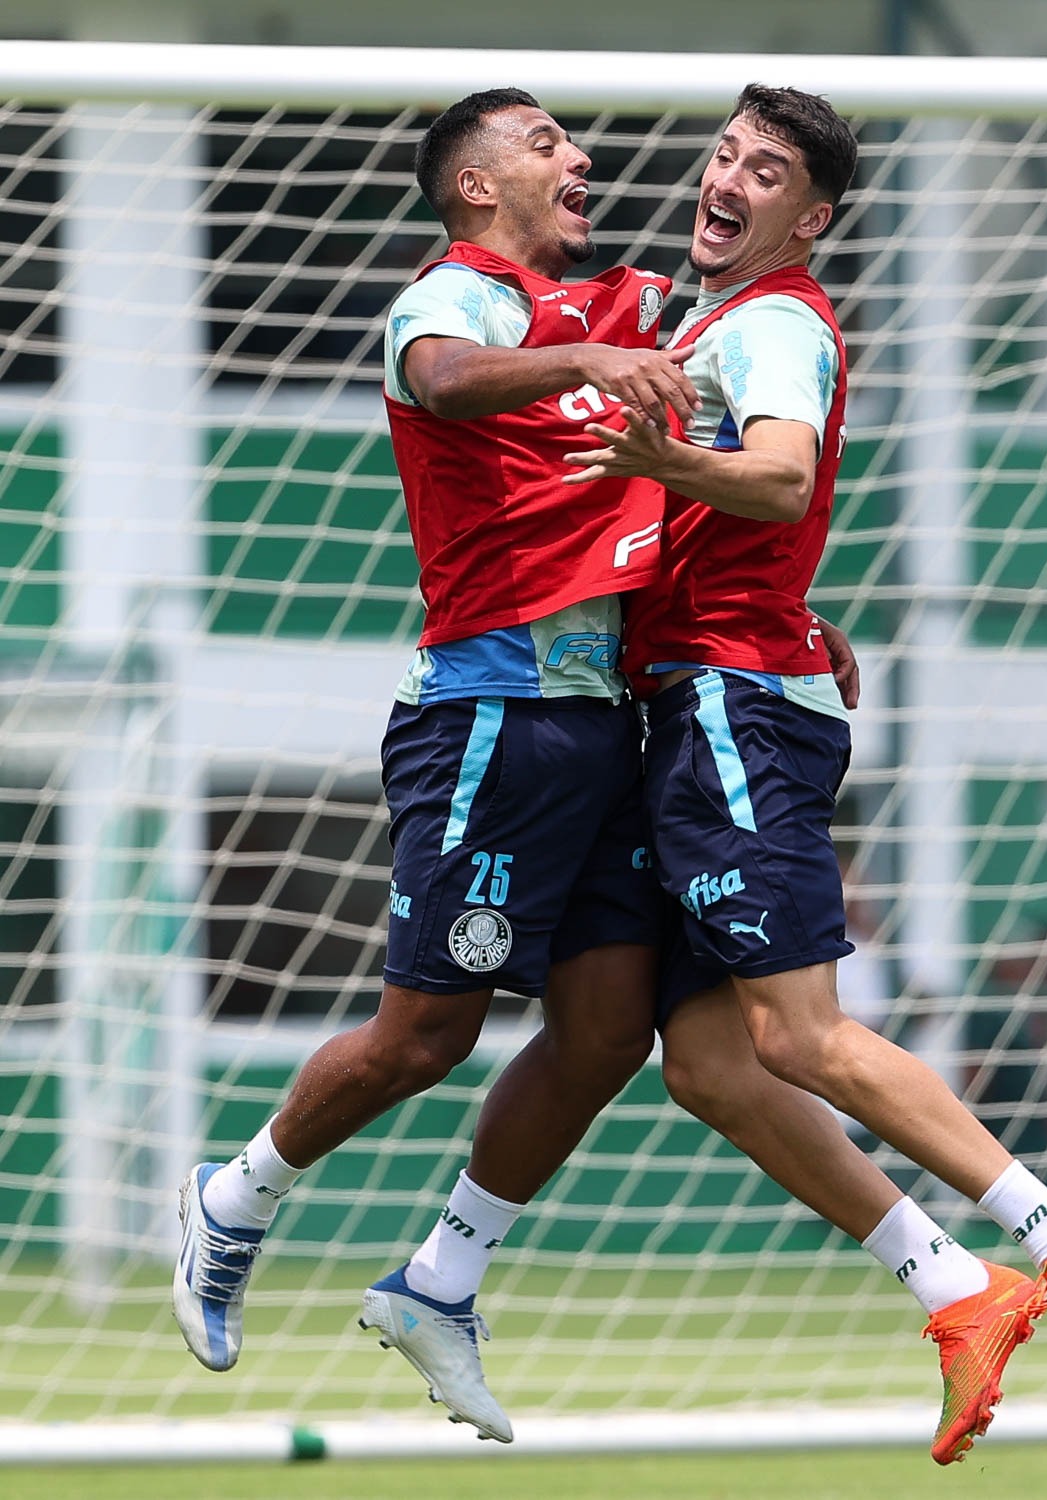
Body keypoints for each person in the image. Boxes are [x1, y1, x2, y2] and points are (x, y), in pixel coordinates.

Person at [564, 83, 1047, 1463]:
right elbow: (769, 514)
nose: (728, 178)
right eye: (722, 153)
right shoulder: (715, 320)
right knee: (709, 1065)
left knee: (802, 1037)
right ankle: (958, 1293)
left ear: (808, 218)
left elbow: (774, 478)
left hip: (730, 706)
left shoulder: (770, 322)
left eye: (763, 170)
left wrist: (666, 460)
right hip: (720, 691)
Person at [173, 87, 701, 1444]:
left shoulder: (613, 308)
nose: (577, 158)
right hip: (490, 713)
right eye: (542, 144)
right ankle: (235, 1196)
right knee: (429, 1033)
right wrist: (589, 368)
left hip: (604, 720)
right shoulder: (447, 299)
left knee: (605, 1030)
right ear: (474, 187)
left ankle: (441, 1279)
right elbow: (446, 383)